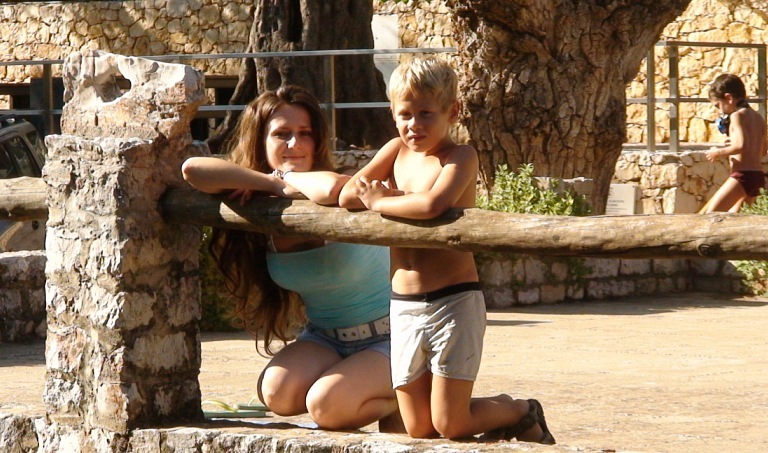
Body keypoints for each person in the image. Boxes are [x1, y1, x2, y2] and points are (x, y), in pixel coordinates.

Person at [338, 57, 555, 444]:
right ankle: (509, 418)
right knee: (419, 427)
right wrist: (380, 196)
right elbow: (348, 195)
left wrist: (382, 200)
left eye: (426, 114)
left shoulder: (460, 156)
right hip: (403, 305)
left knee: (450, 424)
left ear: (451, 112)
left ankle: (520, 410)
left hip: (453, 302)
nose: (414, 125)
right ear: (392, 113)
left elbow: (433, 204)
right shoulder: (394, 151)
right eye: (405, 115)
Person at [181, 86, 402, 432]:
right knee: (277, 393)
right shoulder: (263, 192)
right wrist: (269, 183)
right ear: (260, 141)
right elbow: (193, 169)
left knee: (326, 407)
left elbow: (329, 189)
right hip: (327, 339)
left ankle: (411, 397)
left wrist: (285, 177)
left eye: (305, 133)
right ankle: (373, 389)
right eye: (281, 134)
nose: (294, 144)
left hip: (392, 336)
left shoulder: (341, 187)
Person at [700, 73, 768, 213]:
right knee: (736, 219)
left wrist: (717, 152)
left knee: (710, 215)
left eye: (718, 105)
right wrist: (732, 141)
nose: (720, 111)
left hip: (742, 176)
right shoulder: (758, 117)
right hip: (757, 176)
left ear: (729, 98)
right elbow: (763, 150)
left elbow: (741, 145)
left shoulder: (737, 116)